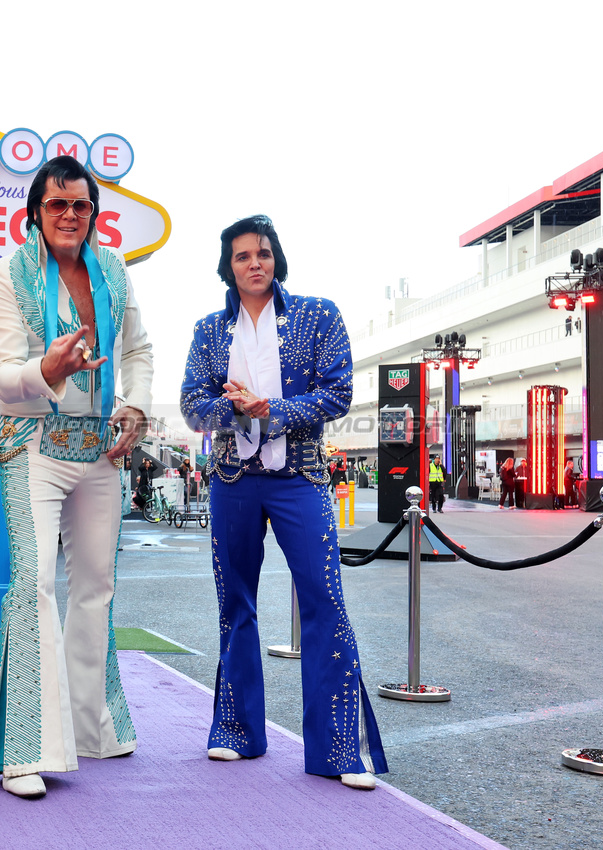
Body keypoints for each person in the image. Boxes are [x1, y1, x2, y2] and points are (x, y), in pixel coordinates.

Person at [181, 214, 386, 791]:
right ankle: (235, 729)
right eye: (243, 255)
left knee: (325, 600)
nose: (254, 263)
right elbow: (194, 404)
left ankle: (340, 747)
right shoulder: (208, 329)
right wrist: (236, 411)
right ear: (228, 265)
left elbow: (338, 393)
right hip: (232, 477)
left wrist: (269, 409)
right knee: (235, 603)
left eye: (263, 253)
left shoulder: (318, 314)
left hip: (300, 476)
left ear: (277, 260)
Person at [0, 155, 154, 798]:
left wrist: (133, 404)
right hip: (33, 446)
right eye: (57, 204)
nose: (70, 215)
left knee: (97, 587)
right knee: (34, 584)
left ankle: (90, 729)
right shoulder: (6, 277)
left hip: (101, 452)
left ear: (93, 212)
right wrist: (47, 370)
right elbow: (1, 377)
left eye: (80, 205)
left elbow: (136, 348)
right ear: (35, 210)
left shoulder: (112, 270)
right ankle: (26, 748)